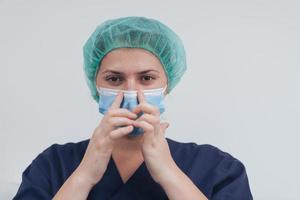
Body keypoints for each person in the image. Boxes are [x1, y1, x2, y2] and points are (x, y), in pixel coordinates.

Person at [13, 16, 253, 200]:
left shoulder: (217, 168)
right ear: (95, 85)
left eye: (146, 78)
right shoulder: (54, 165)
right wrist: (84, 176)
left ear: (167, 84)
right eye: (114, 79)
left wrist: (169, 173)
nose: (130, 92)